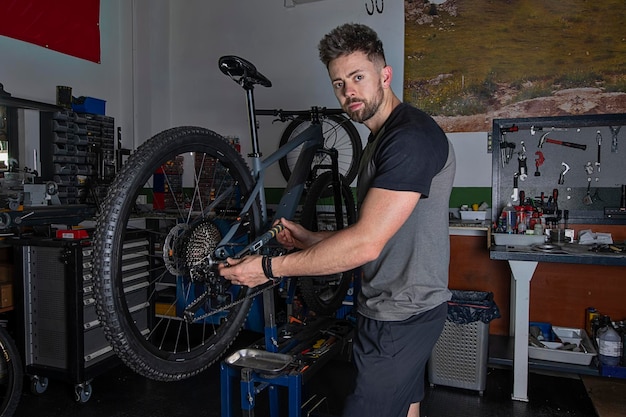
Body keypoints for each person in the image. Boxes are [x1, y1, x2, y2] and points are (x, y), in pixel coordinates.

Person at [219, 22, 456, 417]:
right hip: (396, 307)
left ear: (385, 75)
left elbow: (366, 243)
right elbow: (375, 231)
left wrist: (268, 268)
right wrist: (310, 239)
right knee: (407, 408)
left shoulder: (409, 139)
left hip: (401, 317)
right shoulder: (379, 139)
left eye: (358, 77)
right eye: (338, 83)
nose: (348, 92)